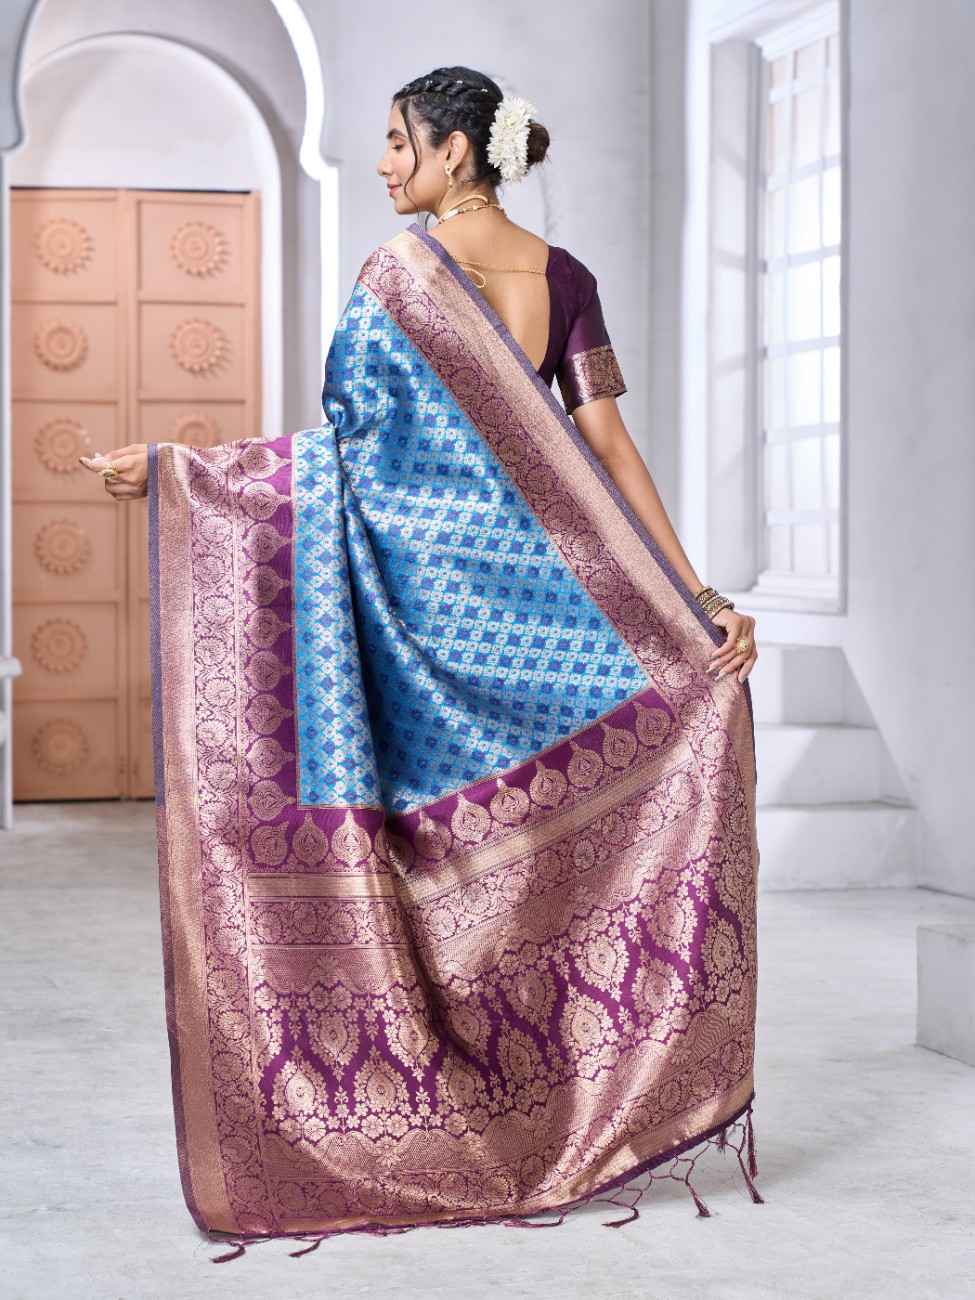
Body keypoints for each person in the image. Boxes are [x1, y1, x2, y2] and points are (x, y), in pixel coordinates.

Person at [79, 66, 763, 1258]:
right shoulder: (564, 278)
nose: (386, 164)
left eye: (400, 142)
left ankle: (455, 1116)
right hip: (551, 622)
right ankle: (555, 1106)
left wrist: (185, 472)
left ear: (458, 151)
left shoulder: (396, 278)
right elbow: (608, 444)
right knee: (543, 854)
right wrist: (690, 597)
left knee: (428, 858)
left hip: (423, 615)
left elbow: (347, 461)